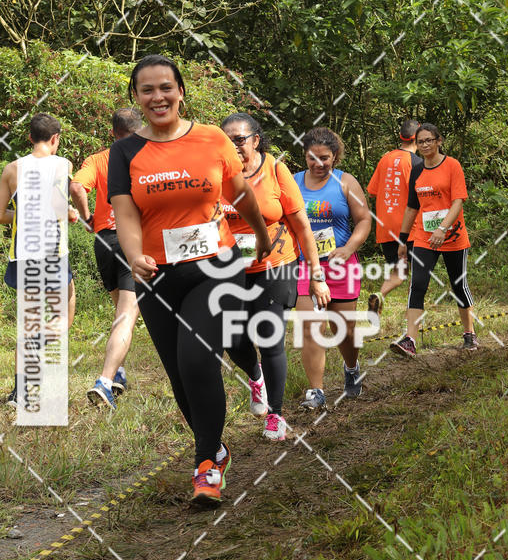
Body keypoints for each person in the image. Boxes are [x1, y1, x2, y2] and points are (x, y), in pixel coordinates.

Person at [107, 55, 271, 505]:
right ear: (136, 98)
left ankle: (205, 469)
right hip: (157, 275)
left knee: (199, 361)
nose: (157, 97)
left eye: (165, 87)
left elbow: (242, 195)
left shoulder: (211, 139)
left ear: (180, 91)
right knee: (181, 377)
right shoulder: (123, 153)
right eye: (147, 90)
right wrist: (135, 254)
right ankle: (216, 448)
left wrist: (260, 237)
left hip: (215, 266)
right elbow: (125, 214)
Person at [219, 114, 329, 441]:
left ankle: (276, 415)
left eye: (240, 138)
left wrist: (316, 276)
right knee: (232, 338)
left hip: (276, 266)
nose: (234, 145)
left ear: (256, 139)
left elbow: (302, 227)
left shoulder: (275, 170)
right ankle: (255, 377)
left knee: (269, 337)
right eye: (227, 139)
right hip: (229, 267)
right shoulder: (216, 174)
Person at [0, 113, 77, 405]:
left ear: (30, 138)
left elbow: (0, 214)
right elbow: (61, 208)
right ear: (55, 139)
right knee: (65, 309)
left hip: (22, 256)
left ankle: (20, 392)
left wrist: (21, 215)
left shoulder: (11, 169)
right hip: (53, 254)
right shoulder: (63, 165)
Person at [294, 127, 371, 409]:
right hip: (304, 266)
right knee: (311, 325)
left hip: (340, 265)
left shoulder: (345, 183)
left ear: (335, 156)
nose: (318, 164)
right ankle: (316, 392)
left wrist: (349, 248)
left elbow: (364, 220)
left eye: (324, 158)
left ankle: (351, 367)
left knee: (344, 330)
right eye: (312, 158)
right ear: (304, 156)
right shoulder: (293, 183)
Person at [71, 108, 143, 410]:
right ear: (140, 129)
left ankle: (119, 373)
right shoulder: (146, 157)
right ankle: (104, 380)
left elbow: (76, 186)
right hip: (133, 241)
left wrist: (88, 217)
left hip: (104, 242)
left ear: (113, 132)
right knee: (128, 314)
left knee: (120, 313)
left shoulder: (99, 159)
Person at [391, 123, 477, 356]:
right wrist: (402, 239)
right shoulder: (417, 170)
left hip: (453, 235)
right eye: (421, 141)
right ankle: (410, 340)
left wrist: (442, 228)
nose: (426, 145)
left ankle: (469, 333)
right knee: (417, 284)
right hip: (423, 236)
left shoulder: (452, 166)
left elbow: (458, 200)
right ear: (416, 145)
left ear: (439, 141)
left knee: (458, 285)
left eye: (430, 140)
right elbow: (411, 206)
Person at [366, 117, 421, 313]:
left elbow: (373, 190)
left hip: (385, 227)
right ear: (418, 139)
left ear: (401, 137)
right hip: (409, 229)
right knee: (418, 276)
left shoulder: (385, 158)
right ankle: (413, 317)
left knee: (399, 271)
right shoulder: (417, 163)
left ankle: (380, 295)